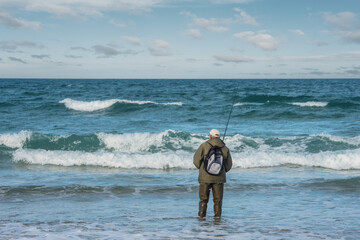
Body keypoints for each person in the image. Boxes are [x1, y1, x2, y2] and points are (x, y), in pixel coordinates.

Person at [193, 129, 232, 218]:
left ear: (210, 136)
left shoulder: (204, 145)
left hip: (205, 177)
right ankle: (217, 220)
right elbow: (229, 165)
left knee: (203, 199)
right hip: (219, 178)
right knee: (218, 200)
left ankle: (202, 218)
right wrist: (221, 171)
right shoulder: (225, 148)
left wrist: (202, 169)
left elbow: (196, 161)